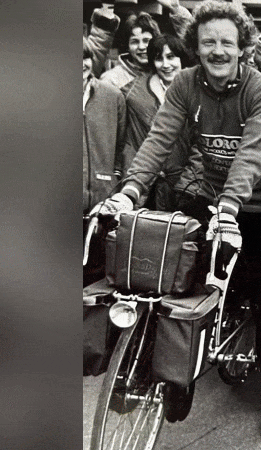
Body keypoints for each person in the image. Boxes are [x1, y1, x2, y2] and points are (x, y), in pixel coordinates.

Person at [94, 1, 261, 445]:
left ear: (242, 46)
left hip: (259, 201)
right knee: (178, 286)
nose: (218, 50)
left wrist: (230, 207)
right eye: (208, 42)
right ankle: (176, 376)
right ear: (196, 48)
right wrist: (129, 190)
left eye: (227, 41)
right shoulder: (185, 83)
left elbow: (251, 155)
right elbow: (158, 139)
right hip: (211, 195)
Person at [121, 34, 193, 211]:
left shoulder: (197, 91)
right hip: (146, 188)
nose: (166, 65)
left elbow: (202, 146)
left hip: (186, 188)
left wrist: (188, 185)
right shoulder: (132, 94)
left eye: (171, 57)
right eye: (159, 58)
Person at [83, 38, 126, 286]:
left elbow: (121, 145)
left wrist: (114, 180)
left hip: (101, 207)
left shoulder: (112, 96)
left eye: (85, 57)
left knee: (98, 281)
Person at [100, 0, 192, 90]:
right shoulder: (112, 79)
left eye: (146, 40)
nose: (141, 47)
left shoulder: (166, 70)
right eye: (135, 42)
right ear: (127, 46)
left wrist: (176, 11)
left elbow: (193, 43)